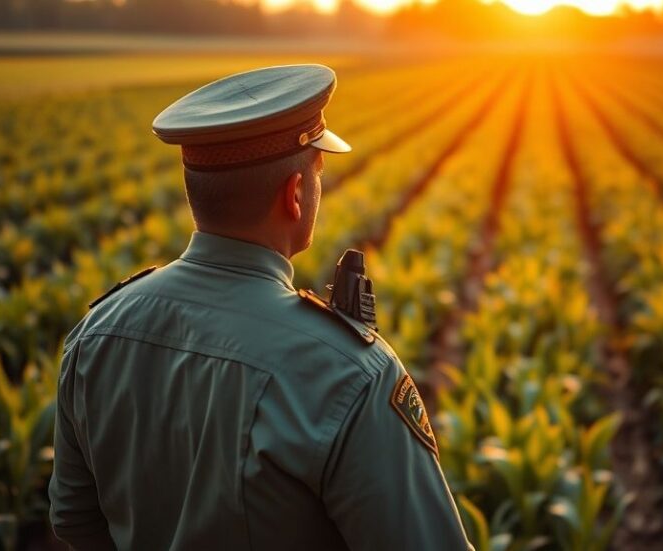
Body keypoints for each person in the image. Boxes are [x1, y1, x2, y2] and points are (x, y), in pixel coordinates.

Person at [48, 64, 474, 550]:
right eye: (317, 173)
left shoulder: (96, 331)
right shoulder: (350, 373)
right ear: (294, 195)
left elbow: (75, 520)